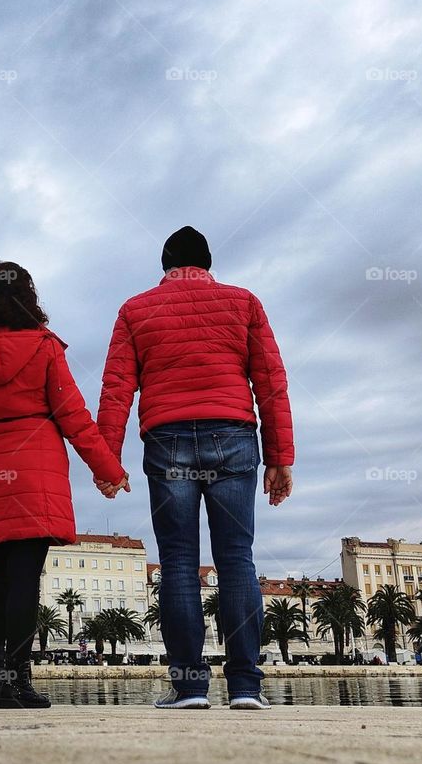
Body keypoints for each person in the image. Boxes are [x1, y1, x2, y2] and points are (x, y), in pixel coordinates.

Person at [96, 227, 294, 711]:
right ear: (208, 262)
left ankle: (189, 688)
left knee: (180, 563)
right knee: (236, 560)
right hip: (234, 438)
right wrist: (280, 456)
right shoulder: (243, 302)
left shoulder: (135, 309)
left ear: (164, 265)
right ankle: (246, 687)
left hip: (167, 442)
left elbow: (117, 387)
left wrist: (107, 461)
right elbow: (271, 380)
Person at [0, 261, 129, 709]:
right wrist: (109, 469)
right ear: (29, 300)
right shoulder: (44, 347)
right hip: (35, 470)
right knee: (26, 577)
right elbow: (74, 418)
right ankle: (18, 682)